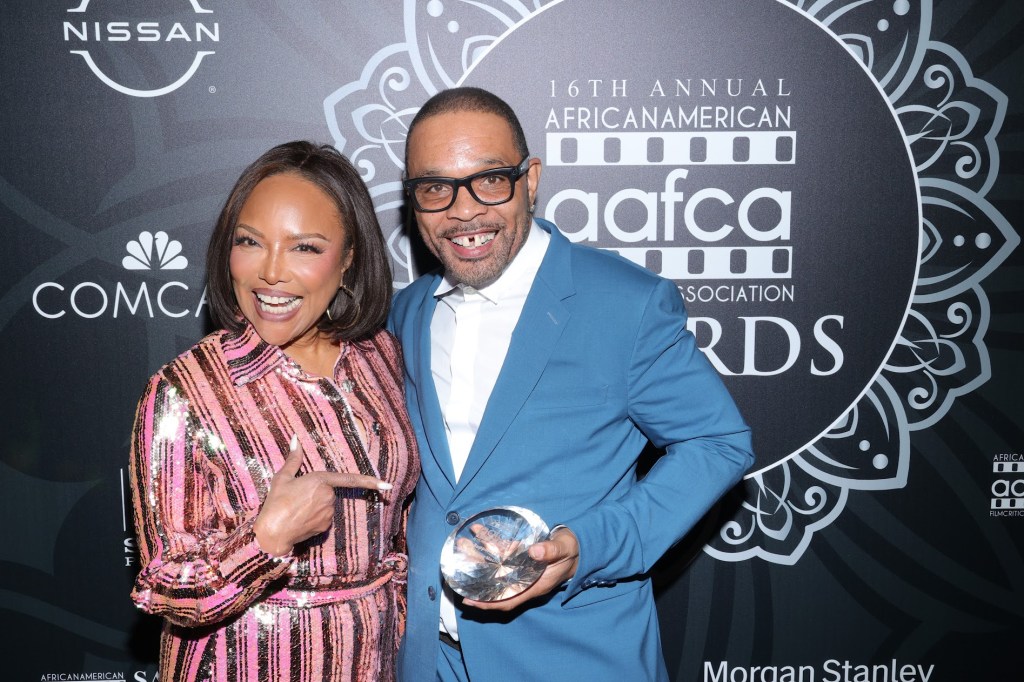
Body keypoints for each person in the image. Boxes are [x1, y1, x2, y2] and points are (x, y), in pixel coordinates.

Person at [388, 87, 755, 681]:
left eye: (490, 180)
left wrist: (591, 545)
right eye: (435, 188)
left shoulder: (625, 303)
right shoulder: (407, 312)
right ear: (413, 200)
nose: (463, 211)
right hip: (430, 662)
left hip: (573, 658)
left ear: (530, 179)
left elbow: (717, 444)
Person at [128, 141, 419, 682]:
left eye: (304, 247)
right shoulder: (185, 390)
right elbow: (165, 587)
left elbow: (400, 530)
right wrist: (266, 540)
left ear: (349, 258)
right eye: (250, 242)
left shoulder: (382, 357)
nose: (270, 273)